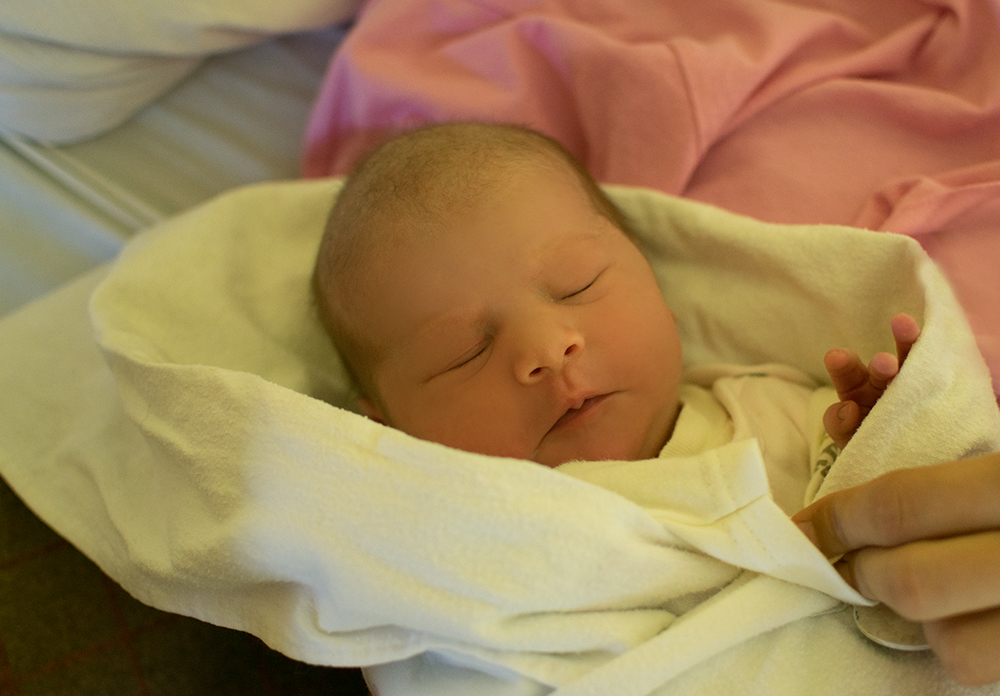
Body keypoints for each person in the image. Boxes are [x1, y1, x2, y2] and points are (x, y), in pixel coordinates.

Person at [312, 121, 997, 685]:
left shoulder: (772, 406)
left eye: (577, 284)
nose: (548, 348)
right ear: (387, 428)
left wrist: (885, 431)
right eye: (464, 351)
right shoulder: (447, 555)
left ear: (657, 285)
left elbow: (924, 502)